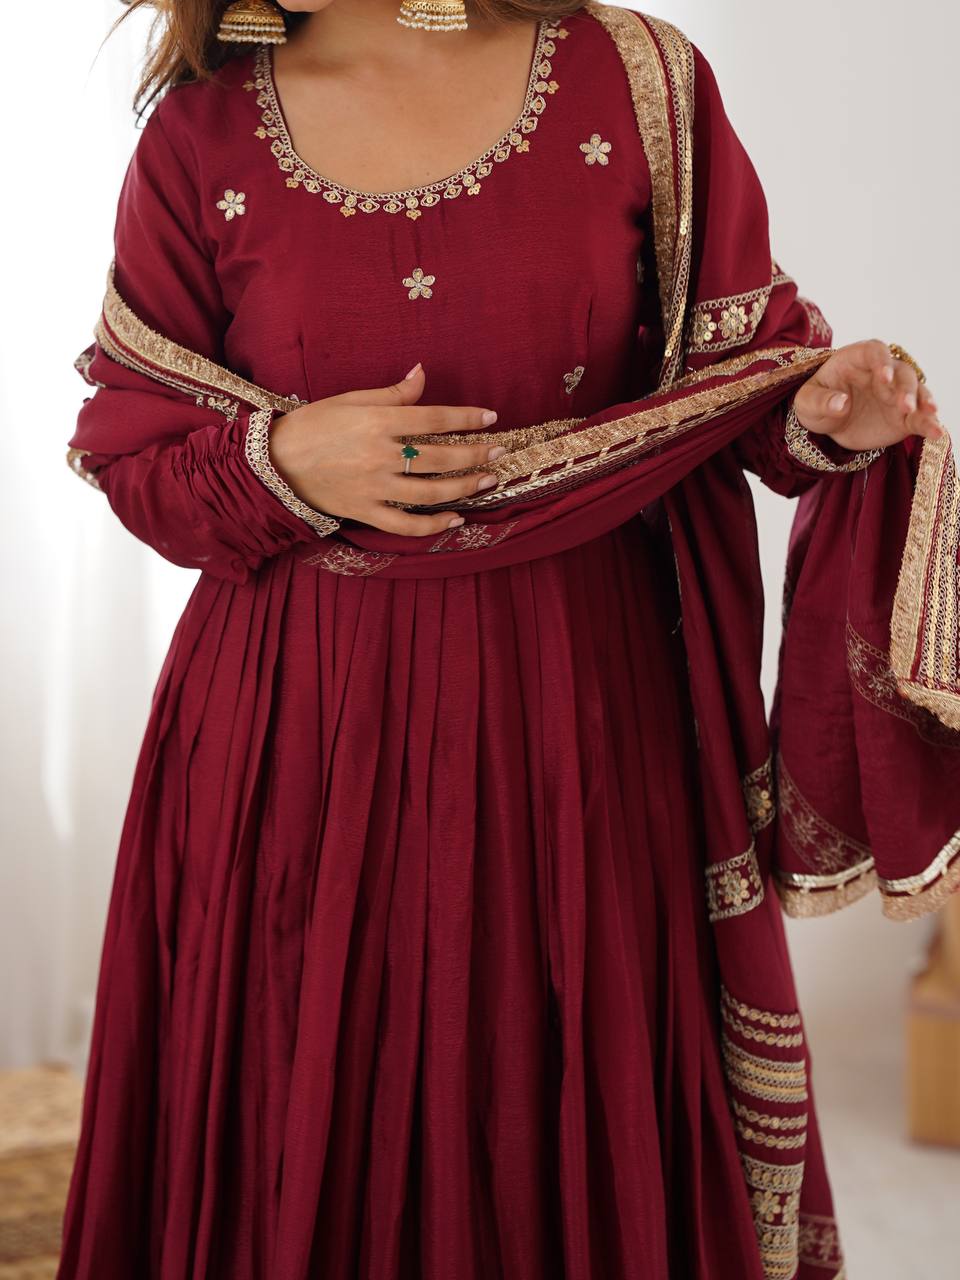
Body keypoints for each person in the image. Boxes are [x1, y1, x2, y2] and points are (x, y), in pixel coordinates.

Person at [59, 2, 960, 1277]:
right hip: (296, 732)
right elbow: (135, 452)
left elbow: (742, 382)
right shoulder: (201, 128)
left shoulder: (639, 78)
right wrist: (285, 457)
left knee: (565, 1101)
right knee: (304, 1107)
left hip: (579, 717)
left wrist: (826, 411)